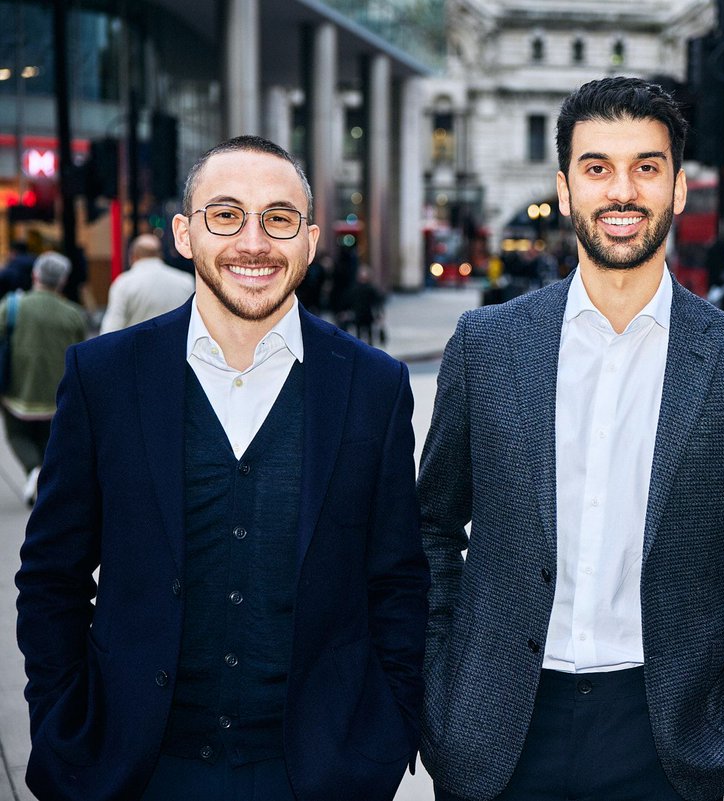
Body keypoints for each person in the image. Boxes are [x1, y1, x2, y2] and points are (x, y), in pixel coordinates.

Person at [418, 76, 724, 801]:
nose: (622, 190)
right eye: (597, 167)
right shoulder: (486, 346)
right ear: (565, 189)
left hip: (668, 737)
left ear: (677, 188)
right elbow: (430, 528)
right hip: (496, 727)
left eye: (646, 166)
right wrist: (439, 682)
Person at [15, 135, 428, 801]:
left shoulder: (373, 386)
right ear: (184, 233)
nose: (254, 241)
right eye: (226, 214)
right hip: (140, 769)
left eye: (279, 218)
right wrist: (64, 728)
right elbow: (51, 578)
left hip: (318, 774)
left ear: (311, 239)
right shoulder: (104, 376)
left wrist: (385, 735)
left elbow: (399, 581)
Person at [0, 251, 87, 506]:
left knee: (18, 434)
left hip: (18, 388)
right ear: (62, 280)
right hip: (57, 392)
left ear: (35, 275)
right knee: (48, 438)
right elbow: (82, 353)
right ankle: (43, 477)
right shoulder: (73, 313)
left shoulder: (12, 306)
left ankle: (33, 470)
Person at [99, 233, 196, 334]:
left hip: (137, 347)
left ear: (133, 256)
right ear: (159, 255)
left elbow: (111, 327)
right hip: (177, 345)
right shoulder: (186, 281)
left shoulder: (124, 283)